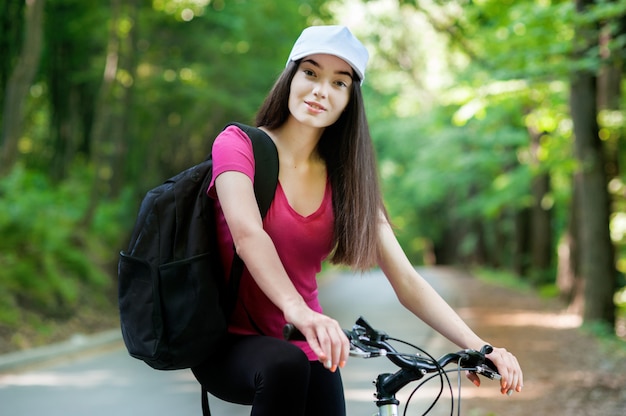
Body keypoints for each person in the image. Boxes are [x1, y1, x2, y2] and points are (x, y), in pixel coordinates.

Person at [192, 25, 524, 416]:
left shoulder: (346, 179)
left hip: (308, 343)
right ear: (290, 77)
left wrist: (480, 347)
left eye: (339, 83)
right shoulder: (238, 144)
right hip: (229, 340)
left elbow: (407, 280)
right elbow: (248, 235)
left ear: (350, 99)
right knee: (285, 364)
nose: (320, 90)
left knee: (309, 367)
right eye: (311, 73)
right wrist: (299, 310)